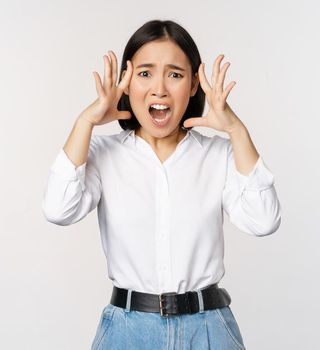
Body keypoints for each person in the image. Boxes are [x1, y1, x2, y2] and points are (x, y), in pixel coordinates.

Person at [41, 19, 281, 350]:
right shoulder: (103, 153)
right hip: (127, 330)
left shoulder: (219, 155)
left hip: (208, 328)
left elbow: (264, 220)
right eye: (145, 73)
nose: (159, 89)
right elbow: (58, 209)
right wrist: (86, 121)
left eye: (175, 74)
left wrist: (237, 131)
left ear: (194, 84)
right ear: (126, 82)